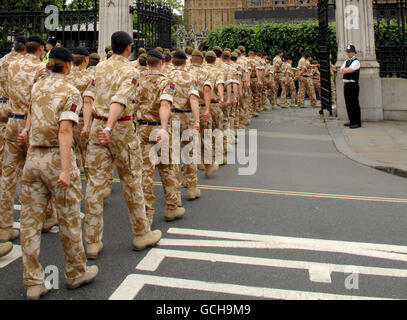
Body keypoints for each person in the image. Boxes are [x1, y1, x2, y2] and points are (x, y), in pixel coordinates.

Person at [18, 47, 98, 300]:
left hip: (33, 157)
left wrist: (26, 132)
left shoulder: (38, 86)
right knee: (69, 217)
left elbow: (30, 113)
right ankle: (76, 271)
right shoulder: (70, 91)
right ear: (68, 66)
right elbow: (65, 131)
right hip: (55, 156)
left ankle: (33, 280)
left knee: (30, 223)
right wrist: (65, 169)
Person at [83, 31, 161, 260]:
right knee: (132, 181)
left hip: (97, 125)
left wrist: (92, 125)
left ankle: (92, 241)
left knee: (95, 185)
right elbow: (120, 99)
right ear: (128, 48)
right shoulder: (130, 71)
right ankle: (140, 233)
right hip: (121, 128)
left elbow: (88, 97)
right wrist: (109, 126)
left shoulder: (99, 68)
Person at [0, 35, 52, 242]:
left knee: (8, 174)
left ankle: (4, 225)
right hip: (33, 124)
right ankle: (44, 217)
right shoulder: (41, 70)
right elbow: (41, 99)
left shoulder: (10, 65)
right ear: (40, 49)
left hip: (12, 121)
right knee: (40, 172)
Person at [134, 49, 185, 225]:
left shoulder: (138, 80)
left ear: (147, 63)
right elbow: (164, 104)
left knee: (145, 171)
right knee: (167, 167)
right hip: (158, 127)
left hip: (142, 128)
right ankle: (172, 206)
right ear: (161, 62)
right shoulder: (165, 82)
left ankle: (147, 213)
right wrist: (163, 128)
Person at [168, 50, 201, 200]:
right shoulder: (190, 77)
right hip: (186, 115)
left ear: (172, 61)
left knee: (173, 154)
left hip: (171, 116)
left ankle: (175, 188)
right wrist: (197, 119)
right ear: (185, 62)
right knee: (190, 151)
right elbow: (193, 99)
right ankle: (192, 186)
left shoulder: (166, 76)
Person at [187, 50, 218, 178]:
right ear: (202, 60)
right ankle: (208, 164)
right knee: (206, 136)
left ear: (190, 60)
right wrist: (207, 108)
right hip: (200, 106)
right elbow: (206, 90)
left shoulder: (185, 72)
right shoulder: (206, 73)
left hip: (187, 110)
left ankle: (193, 168)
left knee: (189, 141)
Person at [0, 36, 27, 178]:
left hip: (1, 103)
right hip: (15, 108)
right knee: (20, 150)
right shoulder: (22, 64)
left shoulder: (2, 61)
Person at [64, 47, 93, 178]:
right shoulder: (90, 77)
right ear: (86, 60)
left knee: (69, 154)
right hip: (82, 118)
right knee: (89, 154)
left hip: (66, 118)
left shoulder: (65, 76)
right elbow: (88, 101)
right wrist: (87, 125)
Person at [339, 44, 361, 129]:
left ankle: (357, 122)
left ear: (353, 52)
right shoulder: (346, 61)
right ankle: (351, 120)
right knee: (348, 103)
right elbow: (341, 71)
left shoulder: (356, 61)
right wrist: (345, 70)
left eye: (350, 52)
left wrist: (345, 70)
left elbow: (351, 70)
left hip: (353, 85)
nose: (348, 53)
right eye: (347, 52)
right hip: (346, 84)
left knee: (354, 103)